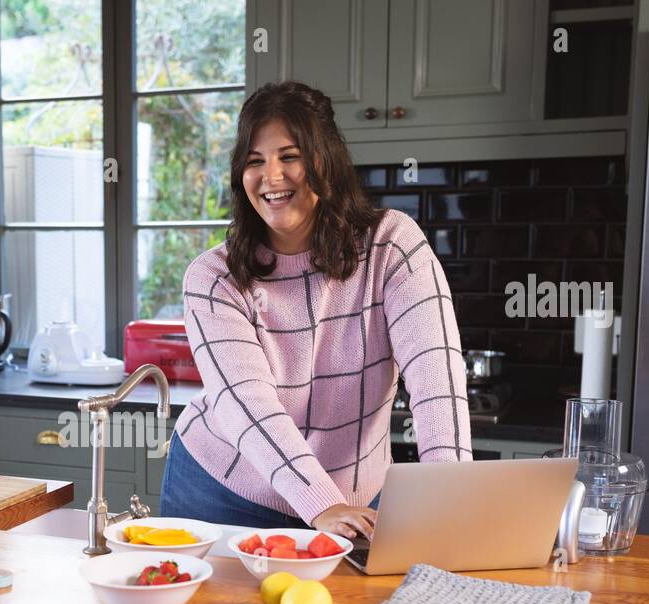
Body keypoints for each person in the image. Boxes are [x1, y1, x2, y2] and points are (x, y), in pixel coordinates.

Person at [160, 81, 471, 541]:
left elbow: (435, 373)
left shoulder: (392, 245)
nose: (271, 176)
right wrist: (320, 503)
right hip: (224, 492)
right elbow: (248, 407)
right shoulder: (213, 277)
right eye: (254, 161)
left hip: (356, 500)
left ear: (324, 159)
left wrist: (450, 494)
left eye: (289, 156)